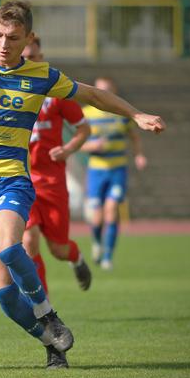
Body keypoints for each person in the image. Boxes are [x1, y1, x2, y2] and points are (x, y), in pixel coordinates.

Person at [0, 0, 165, 370]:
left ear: (27, 38)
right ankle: (48, 341)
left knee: (11, 247)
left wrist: (136, 114)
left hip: (10, 180)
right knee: (1, 286)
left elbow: (92, 95)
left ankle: (48, 313)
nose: (3, 43)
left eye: (12, 37)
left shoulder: (41, 76)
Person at [21, 36, 93, 294]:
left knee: (59, 249)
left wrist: (69, 149)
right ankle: (44, 308)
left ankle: (76, 258)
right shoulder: (8, 92)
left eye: (37, 57)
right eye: (28, 58)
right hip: (21, 180)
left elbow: (84, 129)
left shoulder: (55, 91)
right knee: (28, 241)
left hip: (52, 182)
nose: (34, 62)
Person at [80, 77, 148, 271]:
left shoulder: (122, 114)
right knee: (97, 217)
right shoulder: (86, 114)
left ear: (113, 92)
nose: (103, 94)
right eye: (99, 90)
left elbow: (134, 137)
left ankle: (108, 257)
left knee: (111, 211)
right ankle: (96, 242)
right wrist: (90, 145)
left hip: (118, 168)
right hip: (96, 170)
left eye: (107, 90)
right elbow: (77, 143)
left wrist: (139, 155)